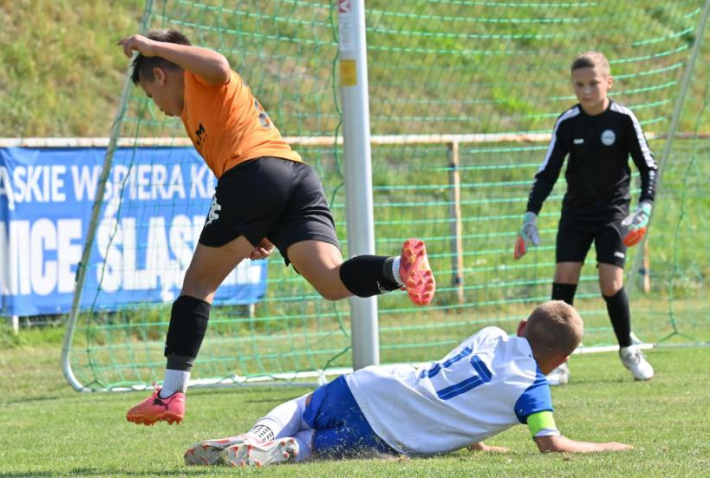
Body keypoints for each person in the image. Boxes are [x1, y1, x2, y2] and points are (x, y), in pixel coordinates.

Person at [116, 29, 436, 426]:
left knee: (198, 284)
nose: (156, 106)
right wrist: (262, 228)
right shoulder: (193, 113)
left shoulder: (201, 77)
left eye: (150, 94)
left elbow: (219, 65)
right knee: (332, 282)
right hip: (296, 177)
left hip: (254, 173)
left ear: (160, 74)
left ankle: (170, 393)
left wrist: (150, 47)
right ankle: (399, 270)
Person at [183, 300, 633, 467]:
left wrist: (477, 441)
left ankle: (256, 435)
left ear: (521, 326)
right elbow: (550, 444)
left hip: (372, 384)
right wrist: (611, 447)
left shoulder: (492, 336)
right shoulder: (533, 389)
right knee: (319, 444)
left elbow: (456, 382)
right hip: (389, 434)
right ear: (562, 361)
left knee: (301, 407)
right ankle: (284, 452)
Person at [514, 51, 657, 384]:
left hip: (613, 212)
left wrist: (645, 206)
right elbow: (547, 172)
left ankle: (627, 349)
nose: (587, 90)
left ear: (608, 82)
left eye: (593, 83)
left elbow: (648, 165)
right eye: (579, 84)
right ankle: (558, 361)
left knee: (611, 283)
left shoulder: (623, 120)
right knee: (564, 280)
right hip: (575, 215)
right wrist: (530, 215)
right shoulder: (568, 123)